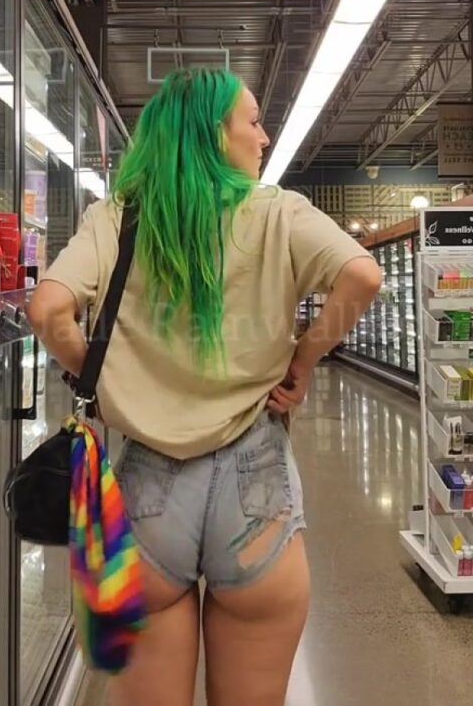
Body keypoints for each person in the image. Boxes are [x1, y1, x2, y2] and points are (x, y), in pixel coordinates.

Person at [27, 69, 382, 706]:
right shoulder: (278, 211)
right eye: (254, 121)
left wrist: (97, 380)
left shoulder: (116, 218)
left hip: (146, 494)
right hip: (257, 486)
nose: (264, 137)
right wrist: (302, 361)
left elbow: (48, 310)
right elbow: (362, 276)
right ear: (215, 134)